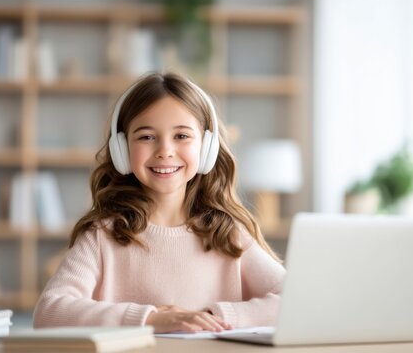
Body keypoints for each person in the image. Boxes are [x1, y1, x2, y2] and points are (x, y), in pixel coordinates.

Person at [33, 72, 285, 333]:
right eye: (146, 137)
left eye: (181, 136)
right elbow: (49, 311)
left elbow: (295, 299)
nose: (165, 150)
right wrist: (150, 319)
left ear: (206, 147)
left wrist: (213, 316)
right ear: (122, 149)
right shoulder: (102, 236)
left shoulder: (227, 233)